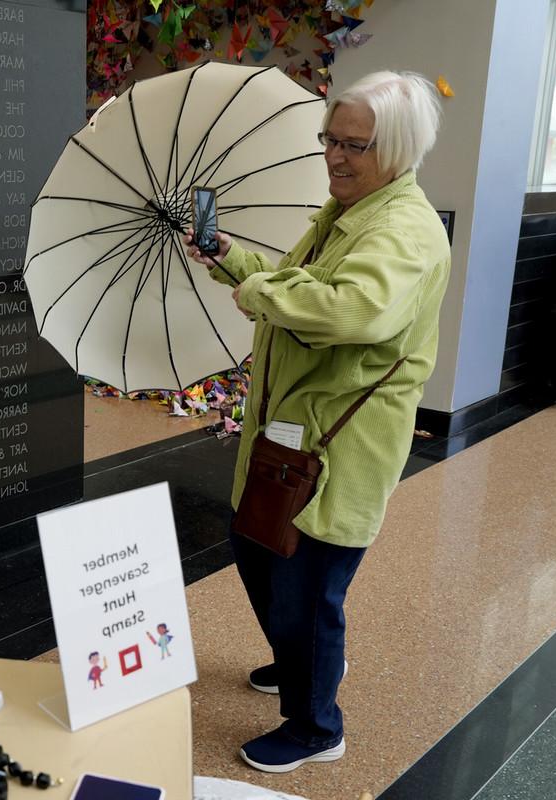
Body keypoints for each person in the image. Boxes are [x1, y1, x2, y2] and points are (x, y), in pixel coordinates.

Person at [185, 71, 450, 773]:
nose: (335, 156)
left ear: (397, 147)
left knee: (308, 585)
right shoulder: (346, 211)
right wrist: (228, 259)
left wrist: (261, 289)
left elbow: (351, 310)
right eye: (330, 140)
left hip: (338, 449)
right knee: (261, 553)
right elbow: (296, 283)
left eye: (354, 145)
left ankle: (315, 725)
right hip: (287, 437)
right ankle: (301, 660)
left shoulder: (402, 230)